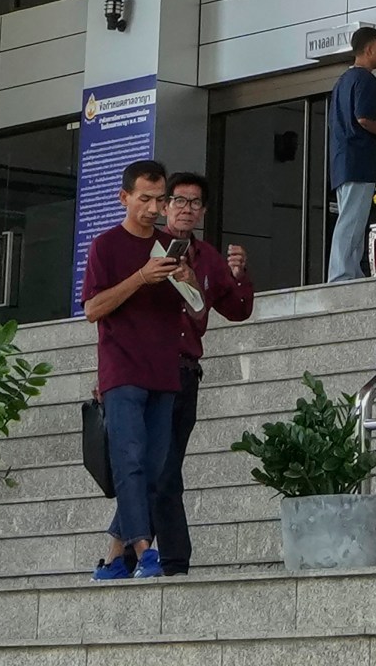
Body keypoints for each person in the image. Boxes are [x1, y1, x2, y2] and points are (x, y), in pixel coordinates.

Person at [82, 160, 186, 580]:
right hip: (121, 368)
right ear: (124, 197)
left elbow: (196, 307)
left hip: (164, 368)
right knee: (131, 461)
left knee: (157, 467)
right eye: (144, 198)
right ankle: (145, 552)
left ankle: (112, 559)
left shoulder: (170, 244)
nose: (152, 207)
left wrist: (186, 276)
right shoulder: (105, 246)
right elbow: (92, 309)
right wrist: (140, 277)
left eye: (160, 200)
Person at [152, 171, 253, 577]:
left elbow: (238, 309)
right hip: (147, 369)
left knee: (166, 464)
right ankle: (170, 557)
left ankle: (131, 552)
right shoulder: (148, 248)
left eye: (194, 203)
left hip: (185, 372)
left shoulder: (208, 257)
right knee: (156, 468)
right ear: (163, 206)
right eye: (179, 200)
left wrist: (240, 275)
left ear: (204, 210)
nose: (186, 209)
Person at [325, 28, 376, 283]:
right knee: (352, 219)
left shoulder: (342, 81)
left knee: (351, 217)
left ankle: (351, 271)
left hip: (342, 160)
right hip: (358, 159)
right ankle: (342, 274)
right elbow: (363, 118)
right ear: (369, 49)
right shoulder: (365, 79)